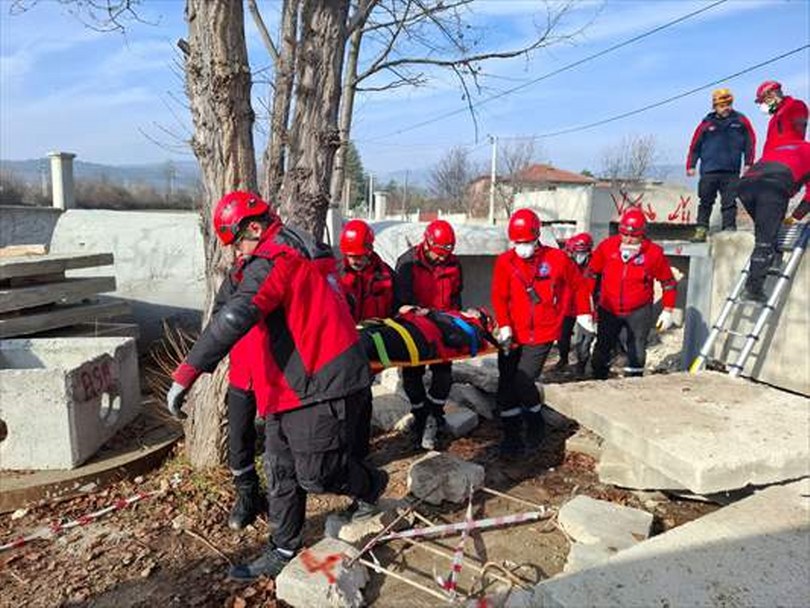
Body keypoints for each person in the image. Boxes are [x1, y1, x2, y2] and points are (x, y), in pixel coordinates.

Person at [165, 191, 388, 582]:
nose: (235, 253)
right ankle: (283, 547)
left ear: (254, 227)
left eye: (237, 243)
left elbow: (236, 315)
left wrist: (187, 373)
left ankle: (371, 486)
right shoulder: (274, 255)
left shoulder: (278, 257)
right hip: (287, 384)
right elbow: (228, 309)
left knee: (317, 475)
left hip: (322, 382)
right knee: (280, 470)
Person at [491, 209, 593, 456]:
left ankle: (535, 420)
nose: (522, 247)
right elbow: (499, 296)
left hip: (543, 332)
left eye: (526, 242)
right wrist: (504, 325)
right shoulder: (505, 262)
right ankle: (512, 436)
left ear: (537, 237)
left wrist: (583, 313)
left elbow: (579, 285)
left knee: (523, 380)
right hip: (513, 332)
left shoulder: (556, 259)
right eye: (518, 243)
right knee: (506, 384)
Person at [394, 219, 463, 450]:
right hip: (416, 327)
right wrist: (419, 313)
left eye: (447, 254)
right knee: (411, 376)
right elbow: (402, 300)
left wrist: (457, 321)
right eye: (439, 254)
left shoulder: (454, 264)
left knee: (444, 375)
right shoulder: (408, 262)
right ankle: (421, 414)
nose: (443, 258)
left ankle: (434, 415)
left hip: (444, 325)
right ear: (428, 243)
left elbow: (456, 296)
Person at [587, 208, 678, 380]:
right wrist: (587, 303)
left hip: (638, 309)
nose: (628, 239)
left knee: (636, 348)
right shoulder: (607, 246)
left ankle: (634, 383)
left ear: (642, 234)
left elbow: (668, 282)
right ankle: (597, 379)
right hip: (609, 307)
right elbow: (591, 273)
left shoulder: (654, 253)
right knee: (602, 346)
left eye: (633, 236)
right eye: (624, 235)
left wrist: (668, 309)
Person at [737, 141, 810, 301]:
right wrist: (796, 216)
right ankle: (753, 289)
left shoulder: (793, 147)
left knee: (767, 229)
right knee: (765, 240)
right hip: (772, 186)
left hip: (746, 184)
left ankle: (774, 259)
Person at [686, 88, 756, 242]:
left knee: (729, 203)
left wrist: (749, 163)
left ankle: (729, 231)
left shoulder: (740, 121)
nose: (726, 108)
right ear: (715, 106)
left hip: (731, 171)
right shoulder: (706, 123)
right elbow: (694, 146)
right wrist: (691, 165)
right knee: (705, 202)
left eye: (729, 104)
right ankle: (701, 230)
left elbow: (750, 142)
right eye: (722, 105)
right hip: (709, 171)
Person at [360, 307, 496, 368]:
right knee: (367, 333)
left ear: (481, 319)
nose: (473, 309)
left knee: (370, 341)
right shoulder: (457, 317)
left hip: (422, 341)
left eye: (478, 311)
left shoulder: (474, 331)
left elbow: (453, 337)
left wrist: (431, 314)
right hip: (415, 329)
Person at [338, 219, 396, 322]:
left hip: (375, 333)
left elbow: (397, 306)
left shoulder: (386, 275)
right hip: (346, 335)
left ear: (369, 251)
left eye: (358, 257)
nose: (353, 261)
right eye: (349, 256)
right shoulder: (336, 275)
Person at [555, 232, 596, 374]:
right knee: (562, 335)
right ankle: (563, 358)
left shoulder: (594, 264)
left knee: (585, 338)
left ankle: (581, 364)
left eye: (583, 252)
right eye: (577, 252)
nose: (580, 255)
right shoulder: (564, 262)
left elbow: (598, 287)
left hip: (585, 307)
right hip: (566, 305)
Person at [756, 80, 808, 153]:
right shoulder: (774, 119)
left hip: (787, 157)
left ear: (773, 94)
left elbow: (798, 135)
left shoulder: (795, 105)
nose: (763, 105)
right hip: (773, 159)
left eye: (763, 101)